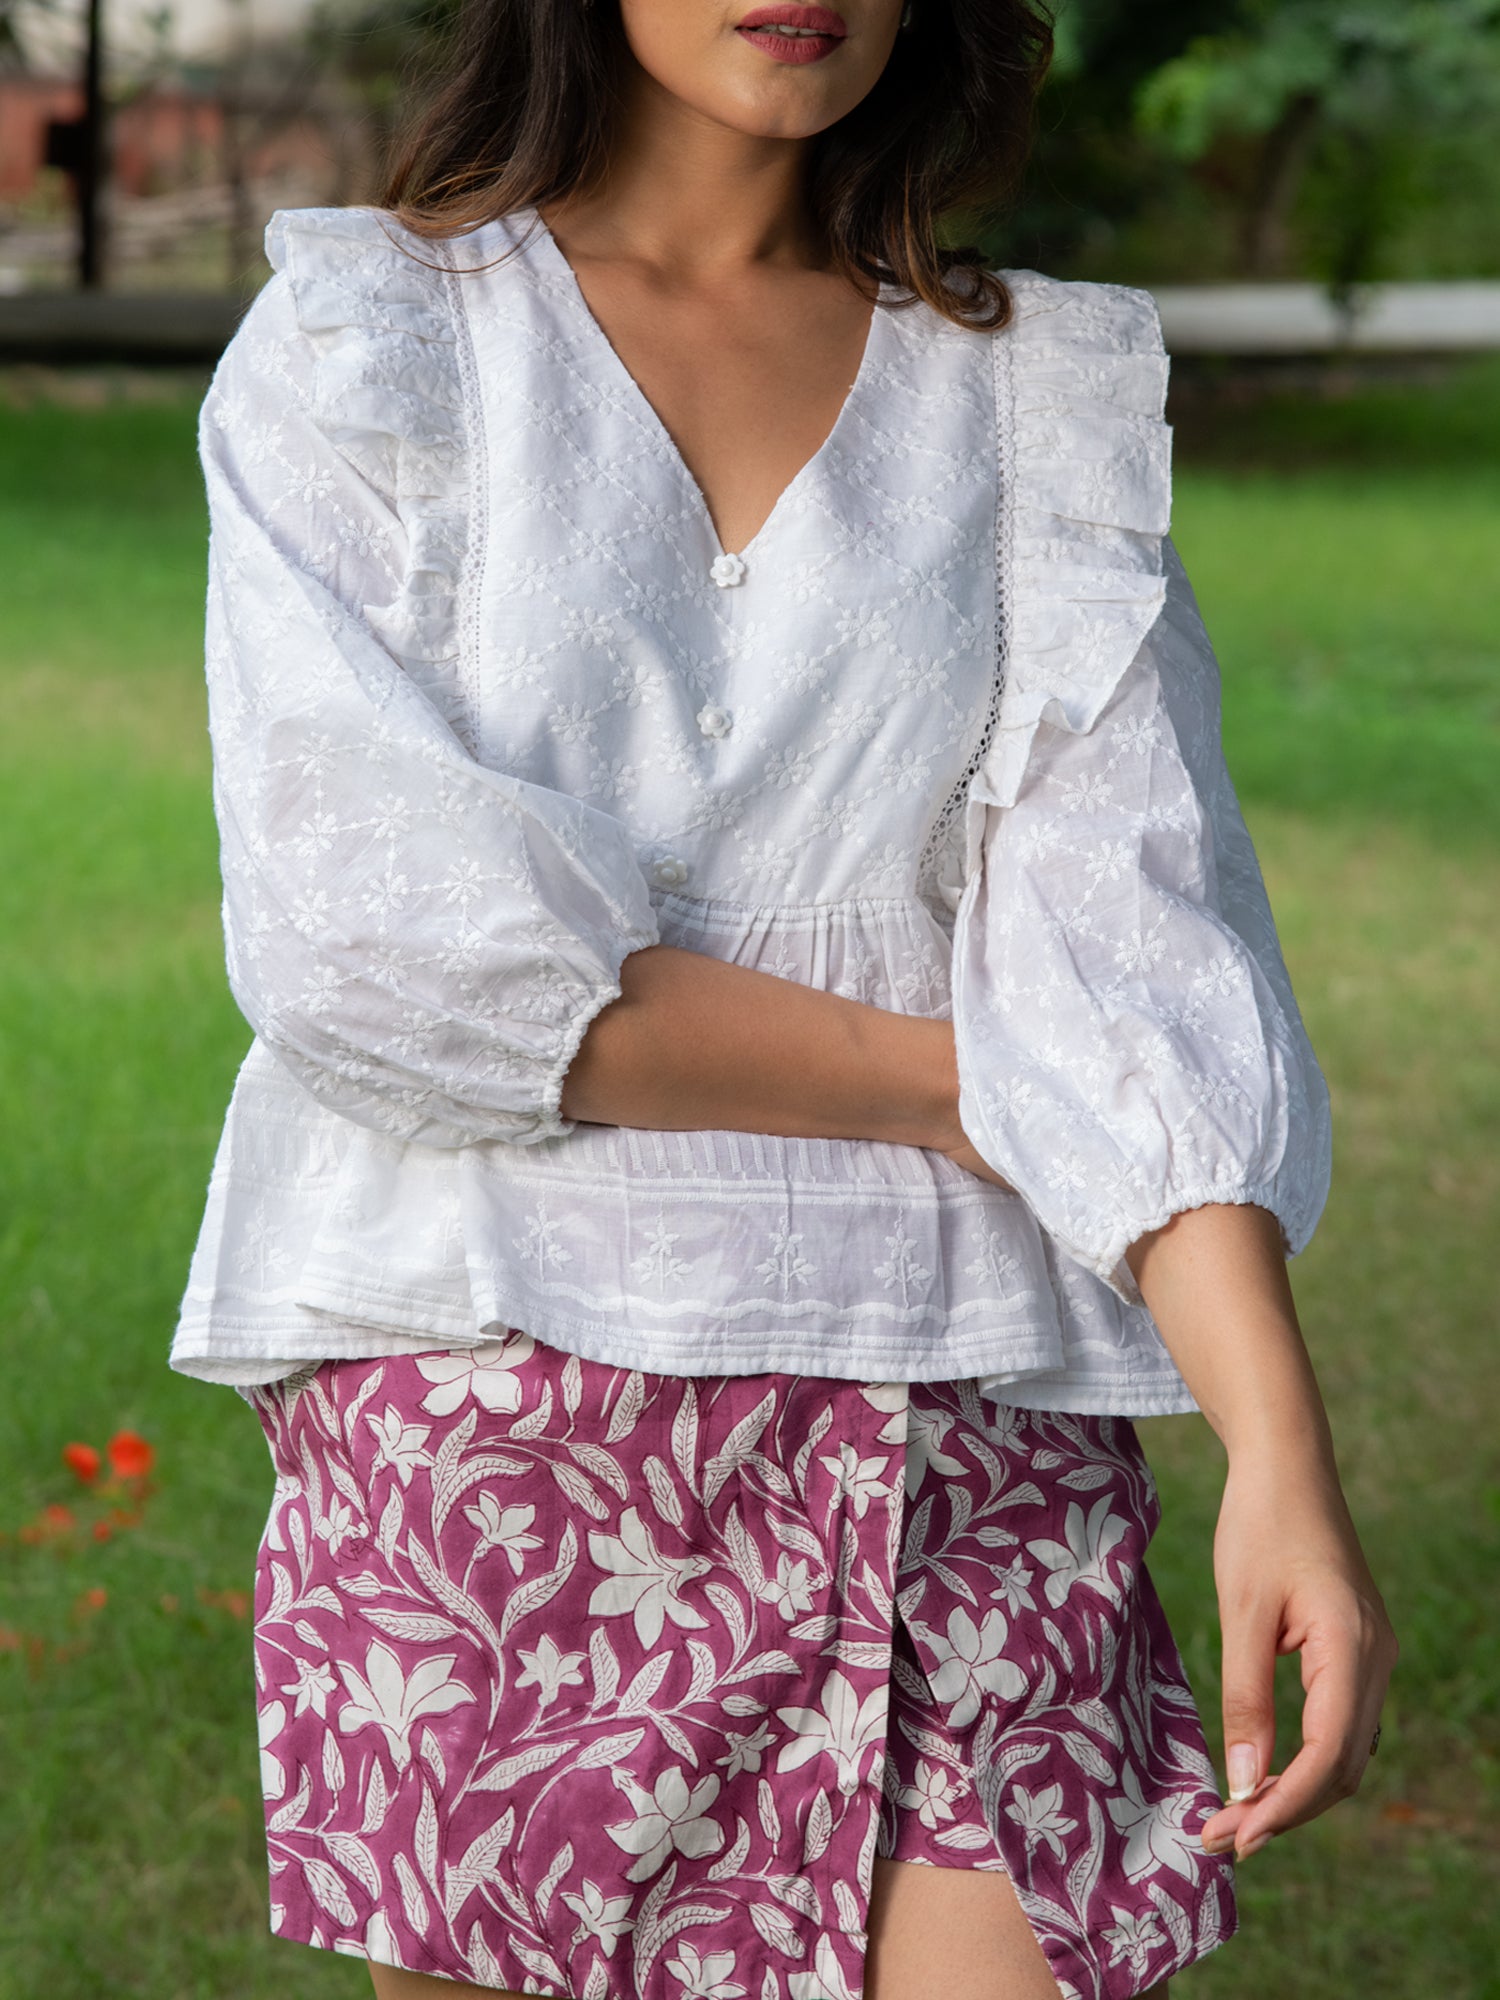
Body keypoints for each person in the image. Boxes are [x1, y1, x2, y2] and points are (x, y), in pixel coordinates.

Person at [169, 2, 1398, 1996]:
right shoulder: (369, 346)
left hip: (963, 1405)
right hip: (496, 1397)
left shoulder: (1032, 396)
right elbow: (380, 954)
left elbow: (1134, 963)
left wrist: (1280, 1452)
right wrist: (962, 1088)